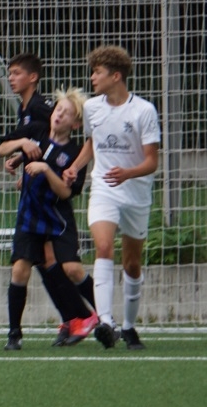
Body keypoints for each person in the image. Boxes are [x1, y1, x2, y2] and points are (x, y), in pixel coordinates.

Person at [63, 45, 160, 350]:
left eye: (98, 72)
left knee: (132, 264)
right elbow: (93, 143)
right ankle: (106, 322)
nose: (92, 78)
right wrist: (75, 167)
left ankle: (129, 327)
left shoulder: (144, 111)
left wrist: (128, 173)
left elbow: (152, 162)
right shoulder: (92, 108)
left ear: (116, 76)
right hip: (104, 188)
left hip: (136, 193)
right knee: (103, 247)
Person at [0, 53, 96, 345]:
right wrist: (22, 158)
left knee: (62, 265)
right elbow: (31, 144)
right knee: (30, 266)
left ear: (33, 78)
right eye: (10, 73)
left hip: (51, 210)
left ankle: (92, 317)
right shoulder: (31, 117)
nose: (11, 78)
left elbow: (53, 155)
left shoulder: (42, 110)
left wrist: (42, 169)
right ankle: (58, 322)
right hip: (32, 205)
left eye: (16, 73)